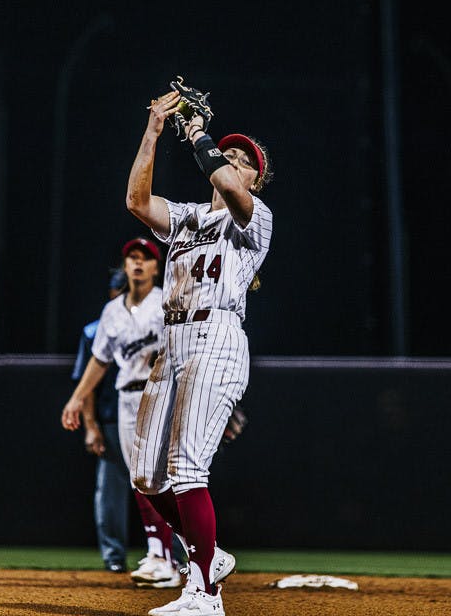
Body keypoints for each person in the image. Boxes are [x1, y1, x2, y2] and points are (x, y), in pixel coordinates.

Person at [125, 89, 273, 616]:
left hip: (217, 338)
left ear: (257, 179)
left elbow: (229, 187)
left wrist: (201, 138)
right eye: (228, 154)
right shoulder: (188, 218)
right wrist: (155, 129)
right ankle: (208, 555)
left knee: (188, 467)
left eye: (244, 161)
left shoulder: (254, 219)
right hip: (173, 343)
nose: (232, 161)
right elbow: (137, 204)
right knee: (145, 474)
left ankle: (204, 596)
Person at [62, 238, 182, 588]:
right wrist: (76, 399)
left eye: (145, 258)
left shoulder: (167, 302)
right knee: (140, 481)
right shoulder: (112, 312)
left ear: (157, 267)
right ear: (125, 266)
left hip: (159, 392)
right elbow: (99, 361)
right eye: (132, 257)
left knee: (165, 479)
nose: (138, 263)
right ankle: (160, 554)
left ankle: (173, 555)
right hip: (127, 398)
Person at [69, 268, 131, 573]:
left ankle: (172, 556)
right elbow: (88, 382)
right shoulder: (96, 330)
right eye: (119, 290)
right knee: (110, 494)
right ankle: (114, 556)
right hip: (112, 419)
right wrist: (90, 426)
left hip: (152, 417)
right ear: (111, 294)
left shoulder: (158, 323)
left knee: (167, 489)